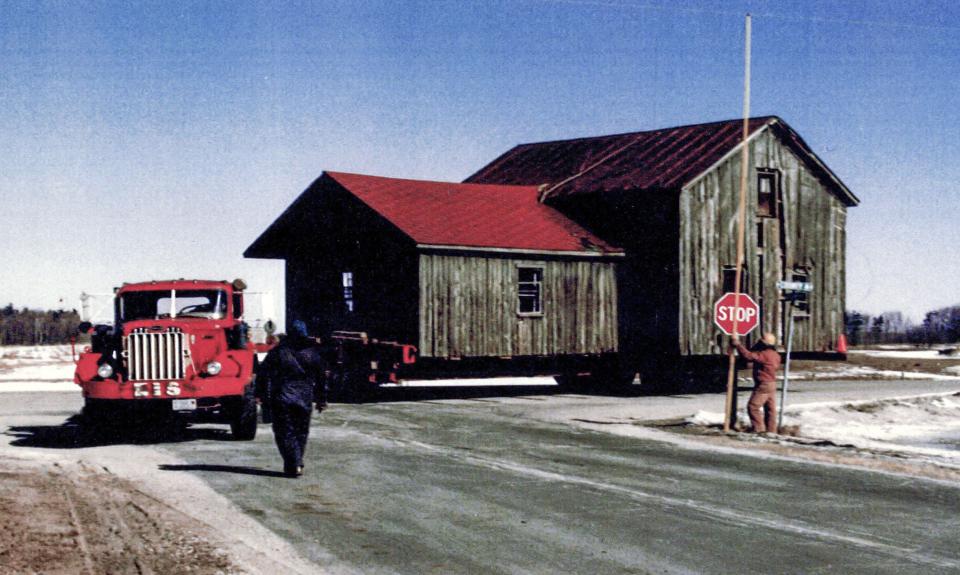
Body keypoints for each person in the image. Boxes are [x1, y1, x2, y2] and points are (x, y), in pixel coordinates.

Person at [256, 320, 328, 477]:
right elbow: (321, 379)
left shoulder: (278, 352)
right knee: (301, 432)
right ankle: (295, 463)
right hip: (304, 399)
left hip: (282, 398)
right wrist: (321, 400)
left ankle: (294, 463)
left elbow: (262, 375)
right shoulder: (313, 353)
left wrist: (261, 396)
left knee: (284, 433)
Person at [731, 332, 782, 434]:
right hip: (772, 383)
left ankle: (759, 430)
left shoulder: (764, 354)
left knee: (753, 407)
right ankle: (772, 431)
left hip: (763, 384)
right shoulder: (776, 355)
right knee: (770, 409)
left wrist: (738, 345)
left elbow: (748, 356)